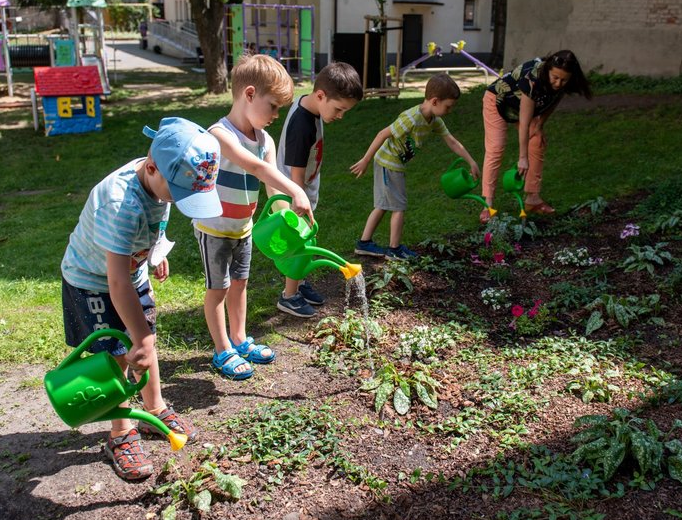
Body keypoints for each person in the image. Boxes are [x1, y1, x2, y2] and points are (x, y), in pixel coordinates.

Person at [61, 116, 222, 481]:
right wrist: (139, 337)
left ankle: (154, 408)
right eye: (180, 193)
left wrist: (156, 252)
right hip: (92, 283)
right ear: (152, 168)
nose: (179, 201)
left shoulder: (158, 182)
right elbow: (115, 282)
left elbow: (155, 221)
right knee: (115, 356)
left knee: (145, 343)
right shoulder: (120, 205)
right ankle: (120, 433)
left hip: (130, 273)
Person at [194, 53, 314, 380]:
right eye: (273, 106)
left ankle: (239, 338)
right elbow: (256, 168)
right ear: (249, 95)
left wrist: (286, 218)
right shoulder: (220, 135)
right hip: (215, 228)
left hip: (243, 229)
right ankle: (222, 351)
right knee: (217, 289)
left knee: (240, 284)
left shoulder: (266, 140)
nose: (277, 114)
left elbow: (270, 186)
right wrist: (297, 191)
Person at [351, 73, 479, 260]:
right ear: (435, 101)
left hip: (394, 164)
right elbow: (382, 134)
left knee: (383, 205)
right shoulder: (411, 117)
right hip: (389, 163)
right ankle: (394, 250)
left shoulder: (434, 121)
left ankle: (364, 244)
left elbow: (451, 141)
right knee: (399, 207)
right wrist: (365, 160)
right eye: (448, 106)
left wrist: (471, 161)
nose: (450, 111)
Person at [275, 62, 364, 318]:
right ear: (321, 95)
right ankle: (289, 296)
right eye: (339, 109)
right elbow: (296, 173)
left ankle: (299, 283)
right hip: (295, 197)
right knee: (299, 243)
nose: (340, 115)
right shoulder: (302, 124)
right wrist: (300, 205)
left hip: (304, 192)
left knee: (306, 243)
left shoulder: (312, 108)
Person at [480, 49, 592, 222]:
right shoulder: (532, 77)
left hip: (520, 108)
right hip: (497, 101)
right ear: (548, 69)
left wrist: (540, 124)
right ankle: (488, 204)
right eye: (555, 77)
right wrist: (522, 158)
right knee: (496, 148)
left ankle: (533, 199)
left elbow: (554, 101)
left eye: (563, 80)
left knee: (537, 140)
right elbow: (524, 123)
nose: (558, 83)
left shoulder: (563, 81)